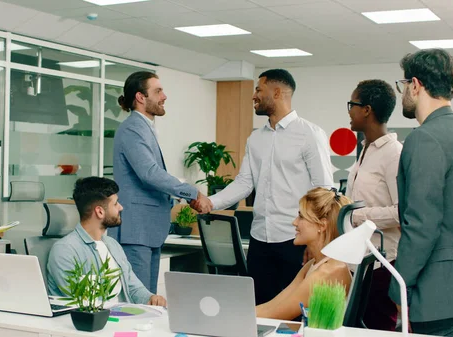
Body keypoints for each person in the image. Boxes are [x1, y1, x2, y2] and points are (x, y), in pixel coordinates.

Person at [192, 69, 334, 305]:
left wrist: (317, 241)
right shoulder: (255, 138)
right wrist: (210, 202)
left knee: (295, 312)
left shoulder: (309, 134)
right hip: (260, 240)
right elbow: (245, 183)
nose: (254, 96)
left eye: (258, 89)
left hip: (295, 240)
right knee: (258, 308)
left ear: (277, 92)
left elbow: (324, 191)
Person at [108, 71, 208, 293]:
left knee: (148, 300)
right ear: (141, 97)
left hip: (147, 230)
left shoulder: (145, 127)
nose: (164, 96)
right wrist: (192, 193)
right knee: (139, 303)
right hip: (136, 230)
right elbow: (150, 173)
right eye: (158, 91)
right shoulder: (133, 128)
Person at [389, 48, 453, 336]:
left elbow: (421, 225)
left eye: (404, 85)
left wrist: (399, 288)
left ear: (415, 85)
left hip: (436, 293)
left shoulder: (424, 138)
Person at [47, 177, 166, 307]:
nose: (120, 207)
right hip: (94, 322)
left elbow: (133, 288)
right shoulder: (65, 250)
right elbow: (83, 304)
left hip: (122, 317)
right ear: (99, 211)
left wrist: (152, 299)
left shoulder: (112, 245)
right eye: (115, 203)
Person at [346, 79, 402, 331]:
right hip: (359, 259)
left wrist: (357, 215)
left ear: (367, 110)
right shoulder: (365, 149)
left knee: (380, 328)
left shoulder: (394, 153)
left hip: (382, 263)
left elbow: (402, 212)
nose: (349, 111)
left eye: (352, 105)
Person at [255, 187, 352, 320]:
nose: (294, 222)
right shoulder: (315, 263)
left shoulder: (327, 273)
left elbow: (275, 314)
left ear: (322, 226)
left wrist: (231, 314)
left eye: (301, 217)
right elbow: (275, 304)